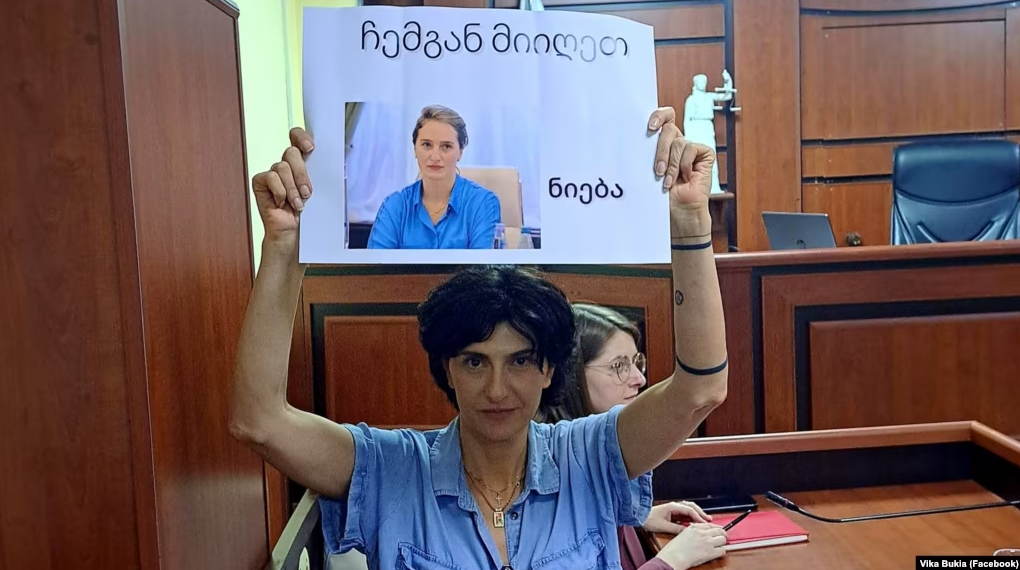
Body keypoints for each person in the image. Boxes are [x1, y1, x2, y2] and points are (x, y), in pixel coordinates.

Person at [229, 105, 729, 569]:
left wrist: (690, 223)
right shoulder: (390, 469)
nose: (496, 388)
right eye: (474, 361)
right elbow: (259, 422)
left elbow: (700, 390)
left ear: (549, 369)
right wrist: (283, 246)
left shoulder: (589, 455)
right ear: (447, 368)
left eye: (520, 361)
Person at [539, 303, 727, 570]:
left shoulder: (591, 456)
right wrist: (671, 560)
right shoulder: (549, 475)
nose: (639, 379)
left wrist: (634, 519)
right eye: (619, 366)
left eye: (637, 362)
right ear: (571, 376)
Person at [366, 104, 502, 249]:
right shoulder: (394, 206)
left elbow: (482, 263)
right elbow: (378, 262)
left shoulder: (483, 204)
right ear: (415, 149)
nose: (435, 156)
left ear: (460, 152)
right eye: (427, 144)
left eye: (446, 146)